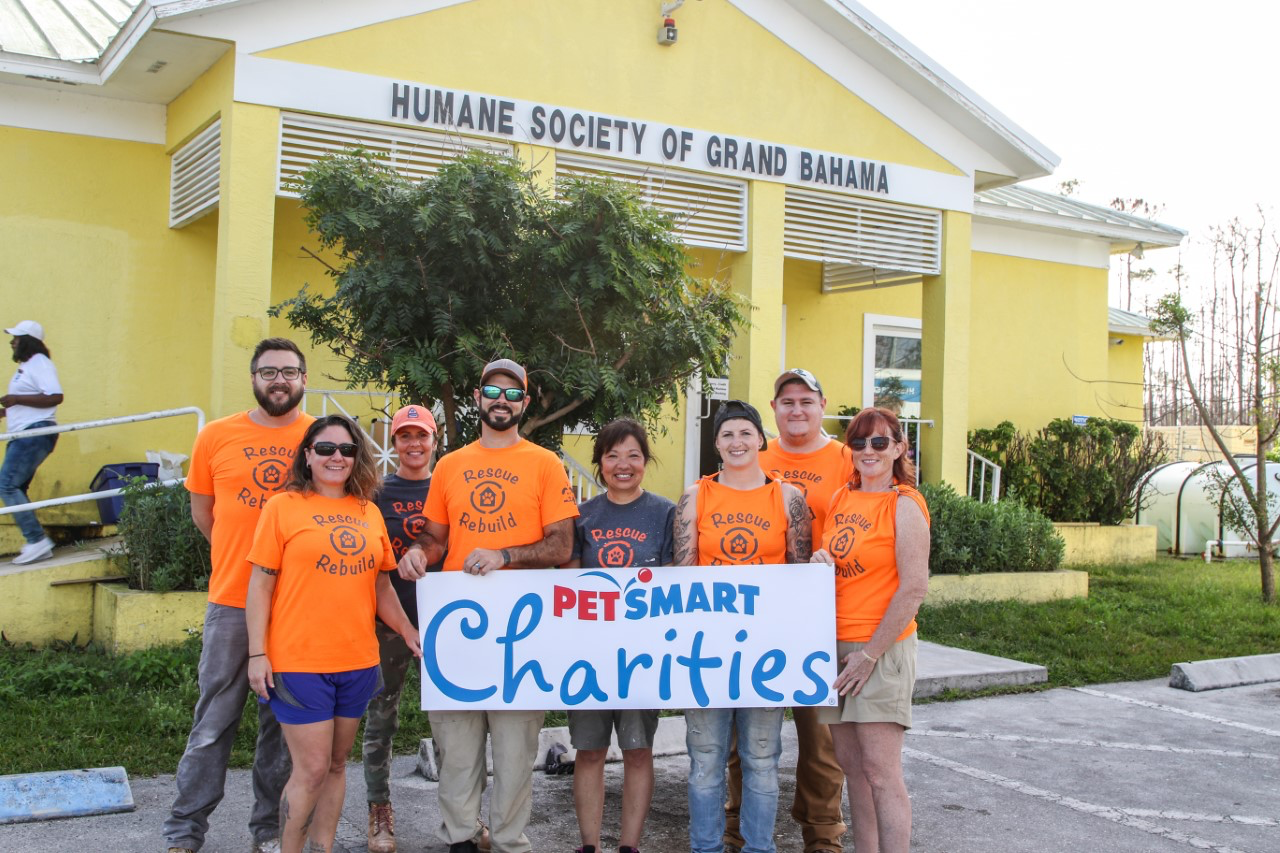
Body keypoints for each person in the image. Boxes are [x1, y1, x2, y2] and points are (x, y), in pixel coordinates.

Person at [398, 358, 579, 853]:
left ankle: (506, 840)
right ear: (477, 398)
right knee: (456, 745)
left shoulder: (545, 464)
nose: (502, 400)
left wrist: (505, 555)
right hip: (457, 624)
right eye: (492, 391)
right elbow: (436, 540)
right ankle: (459, 837)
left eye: (512, 392)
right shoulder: (450, 465)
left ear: (525, 401)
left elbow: (562, 545)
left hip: (523, 624)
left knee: (517, 748)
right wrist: (418, 554)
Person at [165, 338, 314, 853]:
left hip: (297, 609)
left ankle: (269, 832)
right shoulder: (216, 436)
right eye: (269, 371)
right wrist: (249, 567)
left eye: (289, 372)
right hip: (231, 602)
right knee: (213, 721)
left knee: (282, 729)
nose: (279, 380)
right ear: (253, 378)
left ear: (303, 380)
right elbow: (205, 515)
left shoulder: (321, 438)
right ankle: (184, 833)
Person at [246, 414, 421, 853]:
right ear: (308, 455)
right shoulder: (282, 507)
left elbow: (381, 584)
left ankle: (323, 848)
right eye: (325, 448)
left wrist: (406, 628)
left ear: (357, 457)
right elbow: (260, 586)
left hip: (358, 661)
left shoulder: (367, 510)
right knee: (310, 769)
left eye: (346, 449)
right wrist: (255, 654)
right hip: (299, 663)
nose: (336, 457)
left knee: (338, 764)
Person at [672, 399, 811, 853]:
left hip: (766, 650)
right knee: (706, 760)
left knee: (762, 760)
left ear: (760, 440)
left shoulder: (788, 497)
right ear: (716, 444)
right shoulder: (696, 495)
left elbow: (800, 574)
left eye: (745, 433)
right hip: (708, 648)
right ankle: (705, 847)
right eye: (727, 434)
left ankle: (759, 847)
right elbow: (684, 572)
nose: (737, 441)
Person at [724, 369, 852, 853]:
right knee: (744, 734)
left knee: (820, 735)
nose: (796, 410)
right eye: (786, 401)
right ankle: (737, 827)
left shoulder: (847, 458)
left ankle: (822, 833)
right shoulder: (754, 451)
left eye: (806, 400)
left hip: (823, 616)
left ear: (822, 404)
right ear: (773, 410)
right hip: (753, 618)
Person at [812, 407, 929, 853]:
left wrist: (870, 655)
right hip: (835, 646)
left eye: (880, 442)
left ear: (899, 448)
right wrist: (819, 561)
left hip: (880, 647)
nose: (868, 451)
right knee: (853, 770)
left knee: (882, 774)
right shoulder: (843, 497)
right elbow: (836, 561)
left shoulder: (904, 505)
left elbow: (914, 588)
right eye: (858, 442)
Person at [564, 418, 675, 853]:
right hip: (590, 656)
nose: (622, 464)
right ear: (600, 463)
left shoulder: (665, 513)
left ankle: (630, 845)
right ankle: (588, 845)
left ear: (645, 461)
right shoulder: (582, 515)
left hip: (643, 655)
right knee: (588, 751)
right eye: (612, 455)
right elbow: (567, 588)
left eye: (632, 455)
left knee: (637, 749)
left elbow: (672, 587)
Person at [364, 404, 444, 853]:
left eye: (422, 435)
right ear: (394, 444)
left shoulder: (448, 487)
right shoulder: (377, 493)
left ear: (434, 440)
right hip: (389, 623)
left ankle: (463, 813)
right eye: (404, 436)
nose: (414, 444)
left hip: (446, 623)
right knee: (381, 721)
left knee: (455, 725)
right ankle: (379, 813)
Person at [1, 320, 63, 566]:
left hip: (34, 434)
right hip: (24, 433)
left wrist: (15, 398)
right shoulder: (28, 366)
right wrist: (7, 411)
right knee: (15, 487)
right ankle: (38, 544)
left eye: (16, 337)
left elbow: (55, 396)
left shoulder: (40, 362)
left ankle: (36, 540)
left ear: (28, 340)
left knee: (6, 485)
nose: (12, 342)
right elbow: (30, 404)